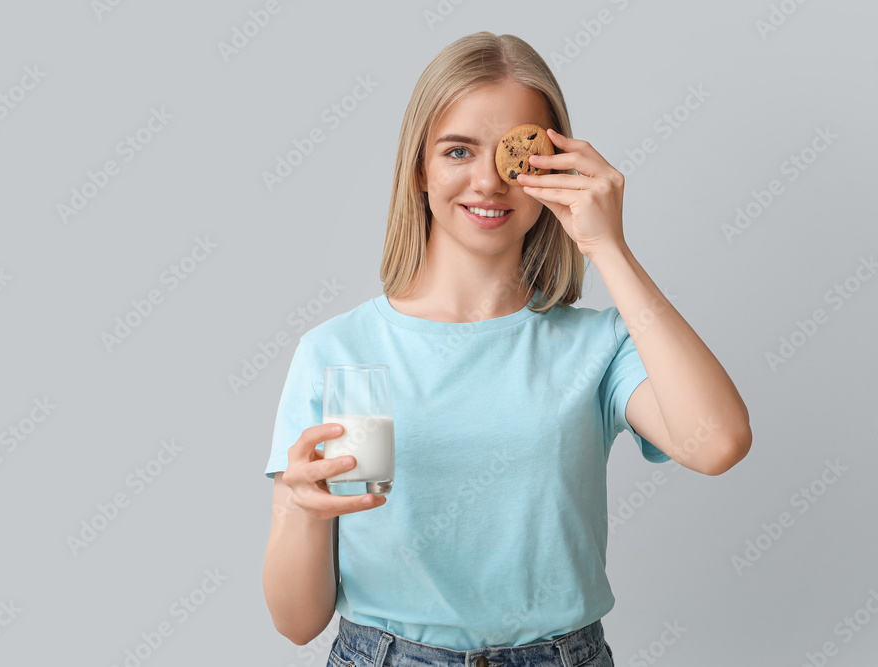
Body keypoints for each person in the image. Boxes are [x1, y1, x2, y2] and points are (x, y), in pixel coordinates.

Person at [262, 31, 752, 667]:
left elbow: (718, 444)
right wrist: (301, 509)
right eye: (458, 150)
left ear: (555, 168)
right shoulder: (339, 351)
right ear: (419, 168)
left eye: (516, 155)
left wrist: (609, 248)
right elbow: (298, 624)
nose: (489, 181)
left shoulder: (597, 347)